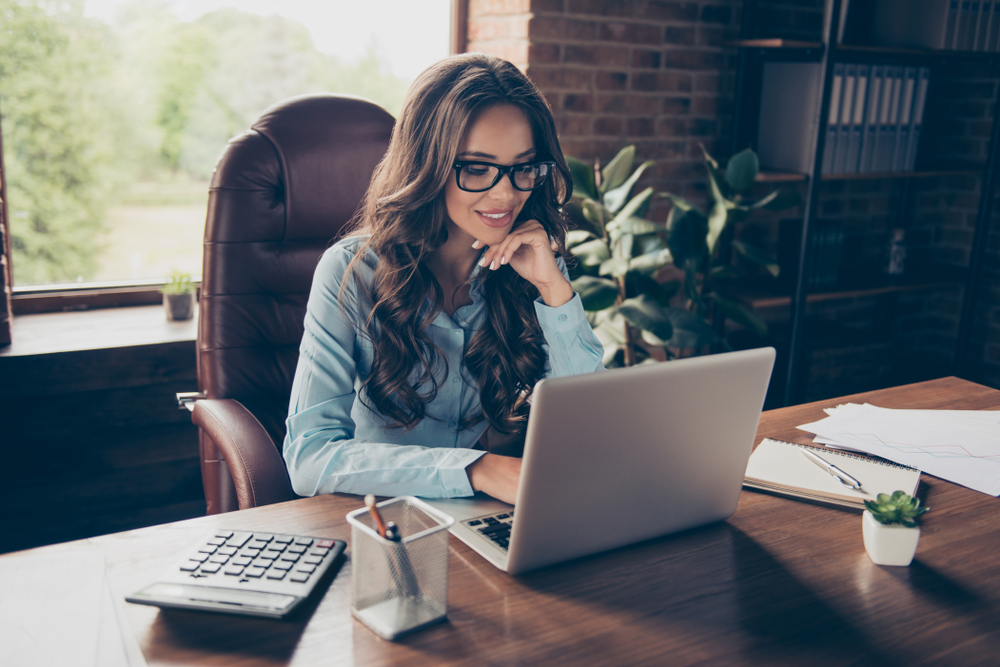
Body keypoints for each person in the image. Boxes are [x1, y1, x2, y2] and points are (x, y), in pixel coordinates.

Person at [282, 53, 605, 505]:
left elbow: (590, 432)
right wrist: (477, 470)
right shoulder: (351, 271)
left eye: (524, 167)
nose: (506, 193)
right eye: (476, 168)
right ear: (427, 165)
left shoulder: (531, 262)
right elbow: (309, 457)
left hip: (483, 522)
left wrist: (554, 292)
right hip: (380, 520)